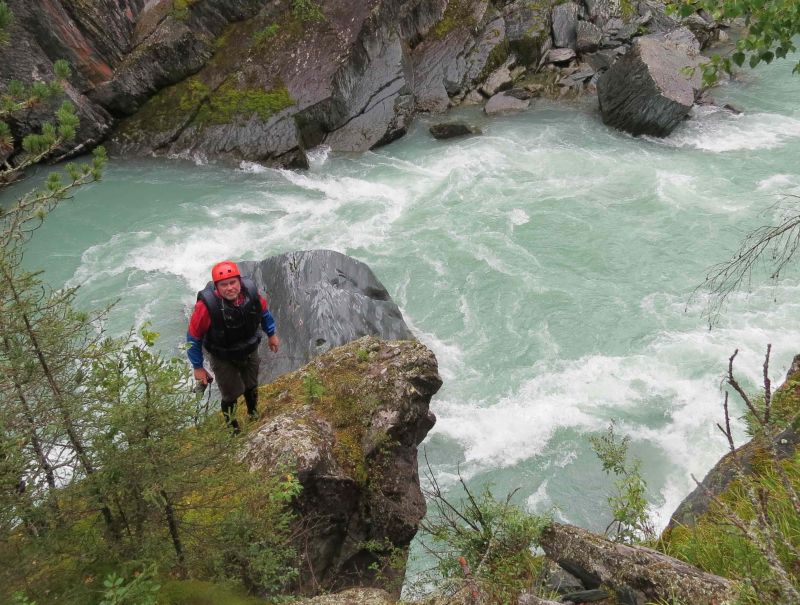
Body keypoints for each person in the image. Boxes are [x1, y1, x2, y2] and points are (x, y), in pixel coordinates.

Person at [187, 261, 279, 432]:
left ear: (240, 282)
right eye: (224, 285)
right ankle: (232, 427)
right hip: (223, 357)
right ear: (217, 287)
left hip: (249, 349)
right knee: (230, 394)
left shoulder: (251, 295)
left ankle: (253, 413)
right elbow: (193, 337)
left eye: (232, 282)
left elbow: (264, 314)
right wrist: (198, 367)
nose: (229, 288)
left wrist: (271, 334)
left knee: (251, 385)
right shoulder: (206, 307)